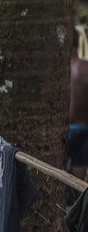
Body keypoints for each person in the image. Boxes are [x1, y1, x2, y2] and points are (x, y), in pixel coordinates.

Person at [68, 25, 88, 181]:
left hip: (59, 133)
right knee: (78, 185)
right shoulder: (85, 68)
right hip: (82, 130)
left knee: (56, 182)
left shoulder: (55, 70)